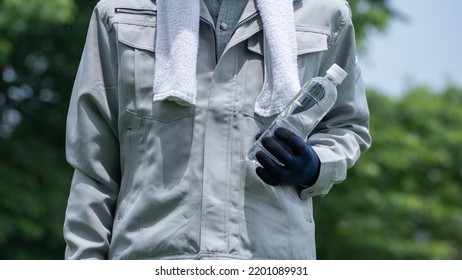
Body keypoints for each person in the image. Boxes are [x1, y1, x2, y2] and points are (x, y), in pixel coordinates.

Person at [64, 0, 371, 260]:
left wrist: (316, 166)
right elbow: (93, 166)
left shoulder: (325, 12)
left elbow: (346, 126)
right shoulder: (121, 10)